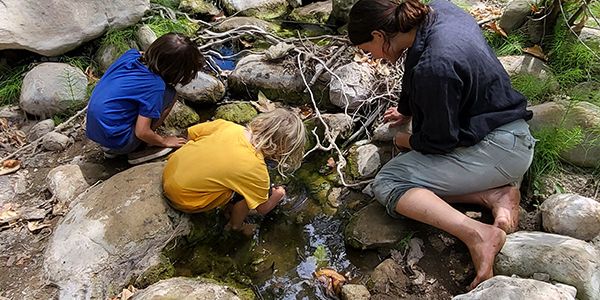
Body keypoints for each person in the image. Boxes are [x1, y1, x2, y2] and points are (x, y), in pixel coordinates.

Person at [348, 0, 535, 290]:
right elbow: (416, 68)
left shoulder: (435, 66)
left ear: (377, 35)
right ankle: (494, 194)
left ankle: (479, 234)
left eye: (366, 49)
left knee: (388, 181)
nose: (371, 57)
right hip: (505, 129)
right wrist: (406, 111)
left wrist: (406, 139)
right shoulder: (438, 11)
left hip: (500, 150)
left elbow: (440, 142)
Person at [162, 108, 306, 235]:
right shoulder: (257, 170)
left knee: (230, 176)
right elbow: (262, 209)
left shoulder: (228, 126)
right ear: (282, 149)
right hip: (182, 197)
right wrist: (278, 195)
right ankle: (236, 226)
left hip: (170, 170)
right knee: (245, 196)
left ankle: (227, 206)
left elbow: (191, 134)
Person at [86, 32, 203, 165]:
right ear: (175, 70)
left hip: (96, 131)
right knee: (171, 94)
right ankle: (139, 150)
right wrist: (164, 140)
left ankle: (112, 148)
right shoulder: (155, 86)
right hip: (118, 140)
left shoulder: (130, 55)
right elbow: (141, 132)